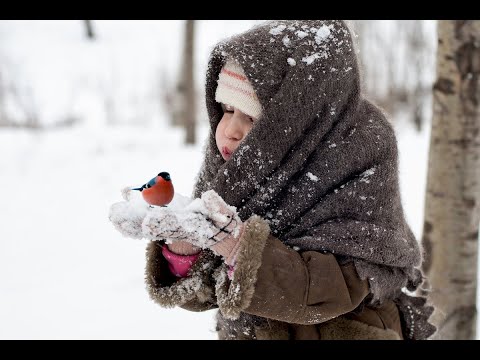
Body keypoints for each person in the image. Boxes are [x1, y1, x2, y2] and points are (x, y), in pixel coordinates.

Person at [109, 20, 436, 340]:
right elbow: (210, 292)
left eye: (250, 117)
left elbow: (330, 293)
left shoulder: (357, 149)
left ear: (294, 121)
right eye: (225, 109)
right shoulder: (234, 170)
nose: (230, 129)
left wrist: (239, 247)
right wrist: (187, 247)